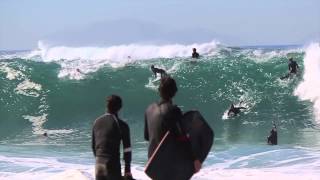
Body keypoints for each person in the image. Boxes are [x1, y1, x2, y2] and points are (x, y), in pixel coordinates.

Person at [144, 76, 202, 177]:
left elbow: (147, 137)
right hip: (169, 164)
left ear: (159, 90)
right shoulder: (173, 110)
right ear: (175, 92)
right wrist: (194, 159)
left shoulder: (149, 109)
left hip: (152, 162)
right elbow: (182, 137)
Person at [92, 95, 135, 180]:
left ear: (107, 106)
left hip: (99, 164)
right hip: (112, 164)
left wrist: (99, 159)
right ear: (120, 107)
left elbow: (93, 146)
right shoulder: (121, 125)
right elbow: (127, 149)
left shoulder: (96, 122)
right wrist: (127, 170)